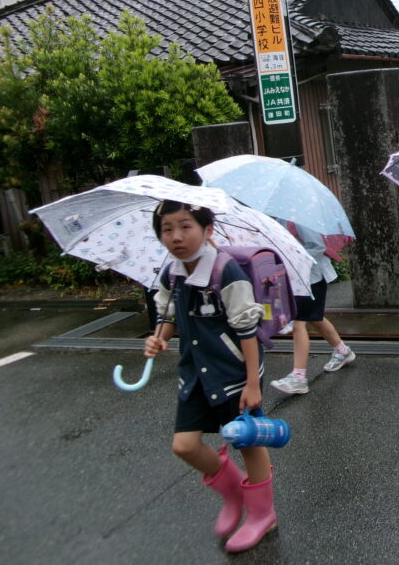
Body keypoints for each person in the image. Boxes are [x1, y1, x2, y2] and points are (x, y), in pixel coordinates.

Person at [144, 200, 275, 554]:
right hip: (195, 373)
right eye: (167, 229)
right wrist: (158, 338)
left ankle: (263, 514)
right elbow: (167, 316)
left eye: (185, 226)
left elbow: (248, 330)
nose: (176, 236)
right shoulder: (171, 274)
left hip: (234, 373)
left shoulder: (225, 270)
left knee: (248, 442)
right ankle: (234, 492)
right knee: (184, 445)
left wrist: (252, 383)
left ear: (207, 230)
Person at [269, 223, 356, 396]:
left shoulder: (298, 219)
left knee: (299, 323)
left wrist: (292, 259)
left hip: (311, 278)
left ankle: (298, 378)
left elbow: (316, 246)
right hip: (300, 278)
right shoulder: (281, 218)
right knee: (315, 318)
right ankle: (342, 351)